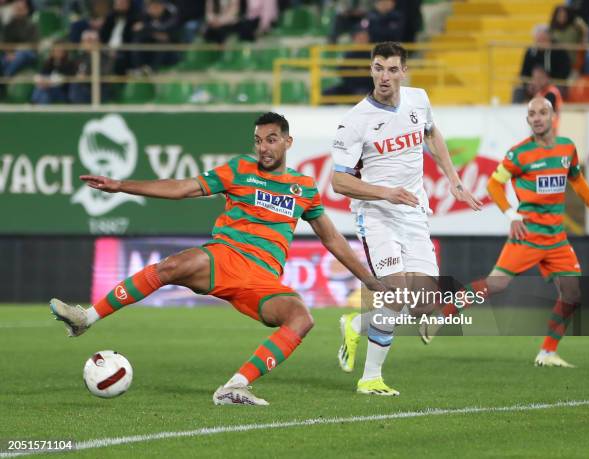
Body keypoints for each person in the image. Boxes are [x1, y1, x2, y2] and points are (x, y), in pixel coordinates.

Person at [50, 112, 384, 406]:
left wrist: (368, 279)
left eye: (271, 140)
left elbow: (331, 238)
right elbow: (182, 188)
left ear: (287, 142)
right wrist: (122, 185)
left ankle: (235, 386)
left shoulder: (303, 188)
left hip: (262, 278)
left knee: (302, 318)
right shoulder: (239, 169)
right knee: (171, 266)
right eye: (258, 141)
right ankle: (86, 318)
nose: (263, 147)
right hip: (224, 257)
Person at [331, 42, 482, 395]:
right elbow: (339, 181)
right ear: (371, 69)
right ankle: (371, 378)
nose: (385, 76)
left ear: (404, 72)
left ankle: (357, 325)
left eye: (392, 69)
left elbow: (432, 133)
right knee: (396, 295)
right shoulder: (355, 121)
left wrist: (455, 181)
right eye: (379, 67)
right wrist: (386, 192)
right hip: (377, 214)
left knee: (425, 304)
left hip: (413, 210)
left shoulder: (419, 100)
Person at [419, 97, 589, 368]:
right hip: (527, 234)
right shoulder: (519, 154)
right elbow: (495, 186)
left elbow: (576, 178)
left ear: (552, 116)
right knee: (496, 284)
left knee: (572, 294)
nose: (538, 117)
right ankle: (439, 317)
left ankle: (547, 353)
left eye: (543, 112)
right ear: (528, 120)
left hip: (556, 237)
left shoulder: (567, 148)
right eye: (532, 114)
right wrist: (512, 215)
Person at [513, 25, 571, 103]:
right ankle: (516, 113)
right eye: (538, 40)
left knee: (553, 92)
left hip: (554, 84)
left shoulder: (559, 51)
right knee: (518, 90)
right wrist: (529, 84)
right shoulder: (530, 52)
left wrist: (548, 82)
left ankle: (549, 113)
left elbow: (565, 72)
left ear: (549, 38)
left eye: (543, 39)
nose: (541, 42)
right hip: (533, 84)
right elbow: (524, 72)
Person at [549, 4, 588, 69]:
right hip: (556, 61)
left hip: (573, 62)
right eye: (560, 15)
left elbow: (585, 37)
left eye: (564, 14)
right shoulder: (551, 30)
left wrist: (583, 27)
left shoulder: (575, 27)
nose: (562, 16)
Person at [529, 66, 563, 133]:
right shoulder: (541, 92)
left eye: (538, 78)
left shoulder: (552, 92)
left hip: (549, 131)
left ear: (546, 78)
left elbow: (544, 110)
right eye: (534, 78)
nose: (536, 81)